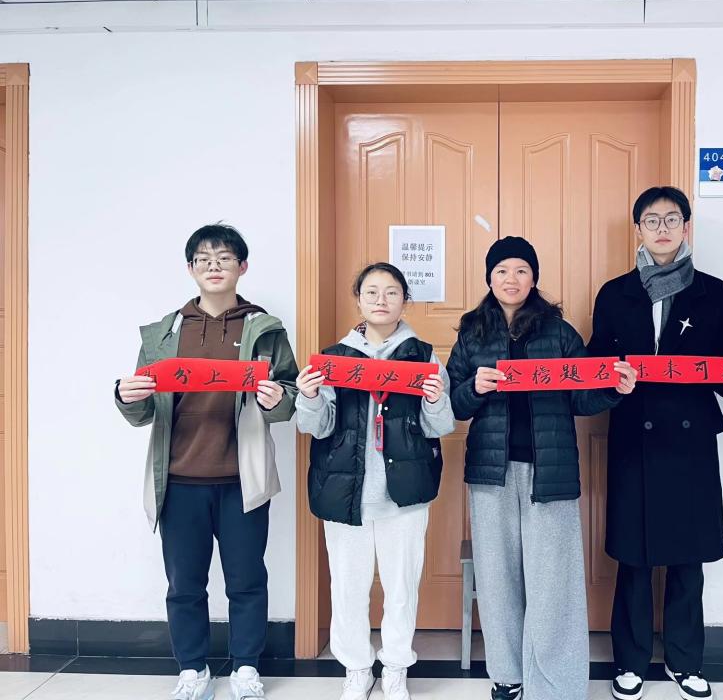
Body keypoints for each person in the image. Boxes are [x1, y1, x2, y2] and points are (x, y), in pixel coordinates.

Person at [446, 236, 637, 700]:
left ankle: (555, 682)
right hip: (490, 474)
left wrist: (614, 388)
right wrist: (474, 388)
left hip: (550, 473)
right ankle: (507, 674)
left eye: (521, 270)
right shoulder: (472, 332)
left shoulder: (559, 332)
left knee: (554, 582)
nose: (511, 279)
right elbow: (451, 403)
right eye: (502, 271)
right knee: (497, 578)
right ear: (489, 278)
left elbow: (582, 397)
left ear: (534, 278)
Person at [588, 186, 723, 700]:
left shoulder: (713, 291)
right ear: (637, 229)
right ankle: (630, 661)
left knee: (689, 555)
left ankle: (686, 662)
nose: (661, 229)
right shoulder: (614, 293)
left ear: (686, 227)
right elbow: (596, 362)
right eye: (651, 220)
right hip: (633, 435)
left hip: (690, 439)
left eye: (671, 219)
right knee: (633, 556)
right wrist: (610, 383)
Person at [115, 224, 298, 700]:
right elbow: (142, 410)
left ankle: (245, 668)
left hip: (242, 479)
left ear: (242, 266)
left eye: (224, 258)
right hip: (178, 479)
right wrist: (125, 396)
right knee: (184, 585)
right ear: (190, 269)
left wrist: (278, 398)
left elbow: (289, 398)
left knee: (247, 580)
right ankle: (193, 669)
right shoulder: (164, 333)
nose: (214, 266)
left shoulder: (265, 329)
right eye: (204, 259)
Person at [295, 262, 455, 700]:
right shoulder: (334, 357)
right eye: (371, 292)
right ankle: (357, 668)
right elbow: (315, 426)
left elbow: (441, 426)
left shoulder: (423, 356)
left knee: (402, 587)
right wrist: (309, 396)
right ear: (359, 300)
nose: (381, 300)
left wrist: (436, 400)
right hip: (344, 491)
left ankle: (396, 667)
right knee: (348, 587)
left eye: (391, 292)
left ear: (405, 301)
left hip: (404, 493)